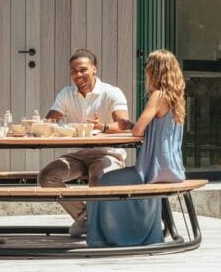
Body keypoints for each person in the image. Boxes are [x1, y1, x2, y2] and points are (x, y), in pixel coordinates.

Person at [86, 49, 186, 248]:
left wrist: (134, 126)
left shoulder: (158, 95)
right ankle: (132, 231)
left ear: (155, 71)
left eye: (147, 67)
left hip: (154, 170)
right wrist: (131, 124)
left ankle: (104, 237)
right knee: (115, 180)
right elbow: (152, 128)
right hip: (172, 168)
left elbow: (139, 131)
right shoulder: (177, 98)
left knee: (104, 181)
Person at [37, 48, 133, 238]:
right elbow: (50, 122)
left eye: (83, 70)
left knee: (98, 178)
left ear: (94, 69)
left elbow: (125, 126)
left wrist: (103, 127)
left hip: (108, 153)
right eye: (74, 71)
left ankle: (98, 226)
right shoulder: (66, 93)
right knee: (47, 176)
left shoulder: (111, 92)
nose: (78, 75)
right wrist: (44, 124)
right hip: (79, 154)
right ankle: (86, 217)